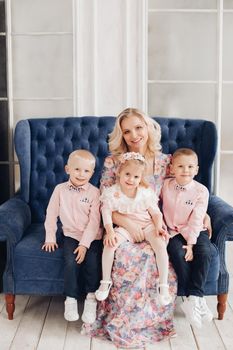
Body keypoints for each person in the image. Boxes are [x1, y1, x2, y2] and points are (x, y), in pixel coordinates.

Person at [82, 108, 177, 348]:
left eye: (138, 127)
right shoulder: (113, 162)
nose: (134, 135)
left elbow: (177, 194)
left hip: (151, 224)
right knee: (122, 253)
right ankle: (121, 319)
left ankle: (150, 319)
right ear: (121, 136)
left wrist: (201, 215)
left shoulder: (166, 162)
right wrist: (126, 223)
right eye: (127, 131)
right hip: (121, 224)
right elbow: (104, 203)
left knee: (153, 253)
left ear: (148, 128)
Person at [95, 151, 171, 306]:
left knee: (160, 245)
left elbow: (156, 213)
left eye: (136, 177)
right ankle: (105, 281)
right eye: (127, 174)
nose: (131, 179)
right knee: (109, 245)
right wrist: (109, 231)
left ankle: (163, 285)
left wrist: (158, 227)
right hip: (125, 227)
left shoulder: (144, 192)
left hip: (147, 225)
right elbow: (106, 213)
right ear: (119, 172)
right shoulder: (112, 193)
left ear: (140, 178)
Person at [42, 149, 102, 324]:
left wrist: (84, 245)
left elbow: (94, 222)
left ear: (92, 173)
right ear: (68, 169)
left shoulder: (94, 192)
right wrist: (50, 237)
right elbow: (51, 214)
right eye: (77, 169)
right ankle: (71, 298)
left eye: (86, 171)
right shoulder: (60, 190)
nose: (81, 174)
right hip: (70, 234)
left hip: (92, 237)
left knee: (92, 263)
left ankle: (91, 298)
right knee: (70, 261)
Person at [162, 148, 213, 329]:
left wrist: (191, 244)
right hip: (173, 230)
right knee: (177, 252)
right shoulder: (165, 185)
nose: (186, 170)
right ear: (172, 169)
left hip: (195, 229)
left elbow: (197, 218)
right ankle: (194, 298)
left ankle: (195, 297)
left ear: (197, 170)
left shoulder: (201, 191)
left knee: (205, 252)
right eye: (181, 166)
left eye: (190, 166)